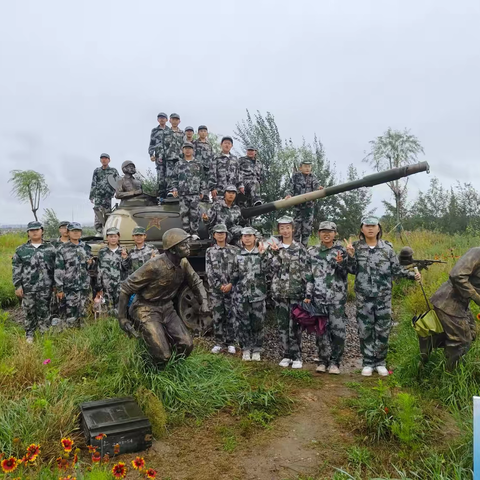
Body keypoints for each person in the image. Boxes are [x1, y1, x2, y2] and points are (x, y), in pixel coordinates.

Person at [118, 228, 209, 364]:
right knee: (163, 355)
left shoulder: (183, 262)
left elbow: (196, 282)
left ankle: (174, 368)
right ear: (172, 250)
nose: (188, 247)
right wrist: (122, 318)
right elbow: (125, 288)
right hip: (146, 309)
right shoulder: (154, 266)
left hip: (167, 308)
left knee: (186, 345)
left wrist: (205, 302)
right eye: (184, 244)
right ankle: (152, 369)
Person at [348, 217, 421, 376]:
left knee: (382, 329)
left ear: (379, 229)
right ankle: (367, 362)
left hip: (383, 297)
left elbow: (396, 269)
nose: (370, 229)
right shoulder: (356, 248)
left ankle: (380, 362)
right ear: (362, 229)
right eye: (367, 226)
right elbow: (352, 270)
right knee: (365, 329)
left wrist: (411, 276)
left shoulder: (387, 249)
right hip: (363, 297)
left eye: (373, 226)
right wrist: (350, 256)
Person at [304, 221, 352, 374]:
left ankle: (335, 362)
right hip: (318, 299)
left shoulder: (341, 252)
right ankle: (323, 360)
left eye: (330, 231)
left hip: (336, 299)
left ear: (335, 233)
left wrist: (344, 261)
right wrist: (308, 295)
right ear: (319, 233)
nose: (326, 234)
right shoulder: (312, 252)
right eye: (323, 231)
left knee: (338, 331)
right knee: (321, 332)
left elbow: (348, 272)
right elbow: (309, 276)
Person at [422, 248, 480, 370]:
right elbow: (457, 275)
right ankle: (452, 375)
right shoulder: (477, 253)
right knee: (461, 341)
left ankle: (431, 342)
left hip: (462, 304)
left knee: (472, 332)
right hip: (449, 301)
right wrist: (476, 297)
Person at [267, 216, 307, 369]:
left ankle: (297, 356)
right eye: (282, 228)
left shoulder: (300, 248)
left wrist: (307, 293)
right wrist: (275, 255)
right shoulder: (274, 248)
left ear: (293, 229)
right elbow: (270, 271)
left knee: (295, 325)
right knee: (282, 324)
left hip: (296, 292)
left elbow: (306, 271)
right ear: (279, 230)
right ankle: (286, 354)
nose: (285, 230)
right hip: (280, 293)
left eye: (287, 227)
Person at [12, 221, 56, 342]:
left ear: (42, 231)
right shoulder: (21, 250)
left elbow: (56, 268)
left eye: (37, 229)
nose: (35, 232)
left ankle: (44, 334)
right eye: (32, 230)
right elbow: (16, 269)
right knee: (29, 311)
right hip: (28, 287)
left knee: (45, 310)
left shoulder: (50, 248)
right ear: (28, 233)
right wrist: (17, 286)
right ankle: (29, 334)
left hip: (46, 287)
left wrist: (56, 285)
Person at [233, 227, 267, 361]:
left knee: (258, 322)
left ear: (254, 237)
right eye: (244, 236)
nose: (247, 238)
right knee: (244, 323)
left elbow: (268, 270)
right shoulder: (238, 255)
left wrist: (264, 255)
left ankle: (257, 349)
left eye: (249, 236)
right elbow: (235, 274)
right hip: (242, 295)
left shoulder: (261, 254)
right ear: (241, 239)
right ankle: (246, 348)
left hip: (258, 294)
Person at [205, 224, 239, 355]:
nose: (220, 235)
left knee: (231, 315)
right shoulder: (210, 251)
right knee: (218, 316)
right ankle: (219, 342)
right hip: (216, 290)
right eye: (218, 233)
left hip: (231, 288)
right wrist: (219, 285)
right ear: (214, 235)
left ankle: (231, 342)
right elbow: (209, 271)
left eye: (222, 233)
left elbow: (237, 269)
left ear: (226, 235)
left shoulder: (234, 250)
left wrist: (230, 284)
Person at [54, 222, 94, 327]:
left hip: (84, 285)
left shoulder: (86, 248)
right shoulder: (62, 249)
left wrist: (91, 263)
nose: (76, 233)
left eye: (78, 231)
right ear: (68, 233)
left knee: (84, 311)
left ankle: (84, 334)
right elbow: (59, 270)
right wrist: (59, 288)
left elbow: (90, 267)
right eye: (73, 231)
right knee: (70, 313)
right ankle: (72, 334)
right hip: (69, 286)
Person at [171, 142, 206, 238]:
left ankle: (194, 232)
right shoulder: (179, 164)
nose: (187, 150)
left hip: (195, 193)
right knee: (184, 213)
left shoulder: (198, 164)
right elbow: (174, 178)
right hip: (183, 193)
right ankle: (186, 233)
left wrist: (202, 191)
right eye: (185, 148)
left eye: (189, 148)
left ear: (193, 150)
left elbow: (202, 178)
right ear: (183, 150)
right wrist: (174, 189)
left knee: (195, 213)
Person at [284, 160, 322, 247]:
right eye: (305, 166)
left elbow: (316, 187)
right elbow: (290, 188)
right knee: (296, 231)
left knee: (307, 231)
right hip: (298, 208)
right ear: (300, 168)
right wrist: (288, 195)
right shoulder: (295, 176)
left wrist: (319, 189)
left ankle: (305, 250)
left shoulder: (313, 177)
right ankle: (295, 250)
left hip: (309, 208)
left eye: (309, 166)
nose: (307, 168)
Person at [96, 227, 128, 315]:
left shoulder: (123, 251)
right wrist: (99, 287)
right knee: (107, 309)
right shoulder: (102, 252)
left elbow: (127, 268)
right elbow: (99, 270)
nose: (113, 239)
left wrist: (125, 258)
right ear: (107, 238)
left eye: (115, 236)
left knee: (120, 310)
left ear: (118, 237)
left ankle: (119, 327)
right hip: (106, 286)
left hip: (120, 285)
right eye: (110, 236)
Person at [89, 153, 119, 235]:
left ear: (109, 160)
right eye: (102, 158)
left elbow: (118, 183)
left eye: (106, 158)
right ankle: (99, 231)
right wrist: (92, 196)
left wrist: (118, 192)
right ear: (100, 160)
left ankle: (108, 230)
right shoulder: (97, 171)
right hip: (98, 195)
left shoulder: (113, 171)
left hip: (108, 196)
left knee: (107, 213)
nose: (104, 160)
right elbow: (93, 183)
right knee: (98, 213)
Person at [208, 136, 244, 201]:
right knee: (218, 209)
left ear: (231, 146)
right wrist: (213, 188)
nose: (227, 145)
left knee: (231, 209)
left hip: (232, 190)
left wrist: (240, 185)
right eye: (225, 143)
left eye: (229, 143)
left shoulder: (235, 159)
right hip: (219, 190)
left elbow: (238, 173)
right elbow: (212, 173)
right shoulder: (216, 158)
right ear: (221, 145)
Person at [149, 112, 171, 199]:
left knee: (169, 176)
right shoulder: (155, 131)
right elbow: (152, 144)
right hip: (159, 157)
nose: (162, 119)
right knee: (161, 177)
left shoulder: (170, 131)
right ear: (158, 120)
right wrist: (151, 154)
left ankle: (170, 195)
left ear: (166, 119)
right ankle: (161, 197)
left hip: (169, 157)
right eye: (160, 118)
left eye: (163, 118)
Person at [163, 113, 184, 195]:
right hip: (169, 157)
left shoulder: (182, 133)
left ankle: (179, 190)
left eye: (176, 120)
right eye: (173, 119)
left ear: (179, 121)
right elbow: (162, 145)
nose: (175, 121)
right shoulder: (166, 132)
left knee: (180, 174)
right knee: (169, 174)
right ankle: (170, 191)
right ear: (170, 120)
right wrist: (162, 156)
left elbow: (184, 145)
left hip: (179, 157)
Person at [193, 125, 213, 199]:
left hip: (207, 166)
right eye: (201, 131)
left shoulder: (209, 144)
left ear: (207, 133)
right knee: (198, 181)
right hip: (198, 166)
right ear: (198, 133)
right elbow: (192, 154)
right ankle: (198, 196)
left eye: (205, 131)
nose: (203, 133)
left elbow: (211, 155)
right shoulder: (195, 143)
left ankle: (206, 196)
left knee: (207, 181)